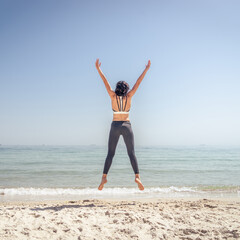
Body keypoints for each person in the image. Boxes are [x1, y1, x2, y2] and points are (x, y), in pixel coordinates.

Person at [95, 58, 151, 191]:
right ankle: (137, 176)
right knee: (131, 153)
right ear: (126, 89)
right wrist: (146, 69)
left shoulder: (112, 96)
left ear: (117, 89)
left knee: (110, 153)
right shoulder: (129, 97)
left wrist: (98, 69)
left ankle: (104, 177)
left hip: (115, 125)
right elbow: (138, 82)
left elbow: (105, 82)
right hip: (126, 125)